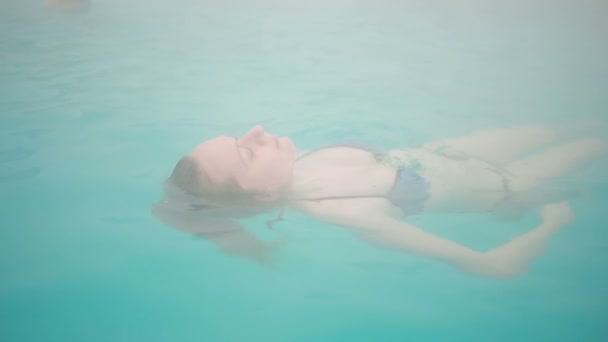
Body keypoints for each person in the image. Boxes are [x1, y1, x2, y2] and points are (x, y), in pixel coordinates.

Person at [153, 124, 605, 279]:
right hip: (501, 187)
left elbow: (190, 203)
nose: (255, 132)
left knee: (566, 127)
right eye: (246, 152)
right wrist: (553, 224)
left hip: (448, 151)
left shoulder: (293, 166)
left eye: (238, 137)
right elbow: (492, 266)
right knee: (591, 147)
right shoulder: (348, 210)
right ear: (260, 194)